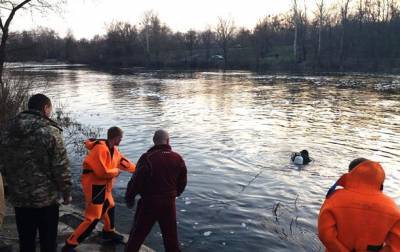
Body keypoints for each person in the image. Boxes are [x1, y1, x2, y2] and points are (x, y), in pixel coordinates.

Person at [0, 93, 72, 252]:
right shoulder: (51, 131)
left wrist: (8, 187)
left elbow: (3, 163)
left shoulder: (8, 130)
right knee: (48, 242)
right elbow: (61, 166)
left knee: (26, 241)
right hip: (46, 200)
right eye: (50, 109)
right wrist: (66, 192)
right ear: (45, 108)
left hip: (19, 198)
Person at [62, 126, 136, 251]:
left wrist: (138, 169)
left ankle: (108, 232)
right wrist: (116, 171)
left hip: (104, 187)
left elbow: (123, 162)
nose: (121, 140)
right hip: (94, 187)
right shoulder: (100, 149)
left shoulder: (114, 150)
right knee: (93, 218)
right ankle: (70, 244)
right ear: (116, 137)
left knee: (110, 206)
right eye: (121, 138)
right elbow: (102, 172)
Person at [125, 130, 187, 252]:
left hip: (149, 203)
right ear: (168, 141)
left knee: (137, 236)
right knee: (171, 238)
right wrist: (175, 194)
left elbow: (136, 181)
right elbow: (183, 182)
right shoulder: (177, 158)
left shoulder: (147, 158)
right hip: (169, 204)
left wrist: (129, 198)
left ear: (154, 141)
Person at [318, 159, 400, 251]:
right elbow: (396, 246)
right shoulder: (393, 208)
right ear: (380, 179)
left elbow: (325, 235)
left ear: (351, 175)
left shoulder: (334, 199)